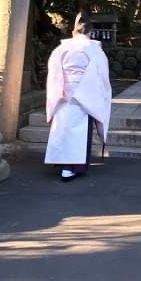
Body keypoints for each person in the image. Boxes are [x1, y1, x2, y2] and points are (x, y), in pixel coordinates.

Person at [44, 11, 112, 181]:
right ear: (89, 33)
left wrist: (59, 91)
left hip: (63, 94)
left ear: (74, 32)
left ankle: (62, 165)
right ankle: (74, 167)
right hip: (84, 95)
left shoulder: (61, 48)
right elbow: (101, 76)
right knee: (79, 133)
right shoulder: (93, 50)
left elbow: (53, 73)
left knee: (62, 130)